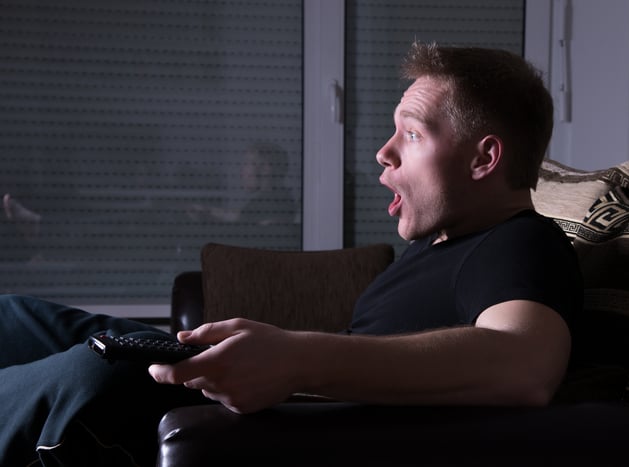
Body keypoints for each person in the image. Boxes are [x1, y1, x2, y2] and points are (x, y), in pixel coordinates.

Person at [0, 42, 582, 466]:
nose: (383, 153)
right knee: (19, 318)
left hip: (287, 434)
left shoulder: (519, 242)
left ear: (484, 160)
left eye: (410, 133)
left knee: (87, 374)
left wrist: (297, 360)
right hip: (300, 404)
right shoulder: (440, 246)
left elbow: (524, 363)